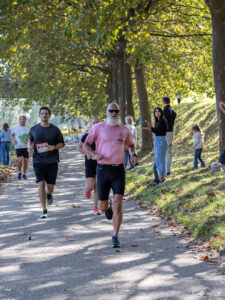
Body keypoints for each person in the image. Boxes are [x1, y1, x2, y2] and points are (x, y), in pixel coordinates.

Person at [83, 103, 137, 248]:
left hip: (118, 170)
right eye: (111, 111)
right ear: (106, 112)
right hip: (102, 170)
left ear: (119, 113)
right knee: (102, 206)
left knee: (119, 203)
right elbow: (85, 145)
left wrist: (133, 154)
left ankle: (115, 235)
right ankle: (107, 208)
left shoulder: (124, 130)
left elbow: (131, 145)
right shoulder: (98, 127)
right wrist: (94, 155)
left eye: (116, 111)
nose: (113, 113)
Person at [28, 107, 65, 218]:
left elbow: (62, 144)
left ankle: (49, 193)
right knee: (41, 184)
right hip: (38, 160)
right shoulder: (34, 129)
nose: (44, 115)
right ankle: (44, 209)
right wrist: (29, 147)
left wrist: (53, 147)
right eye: (42, 113)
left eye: (46, 113)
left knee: (50, 187)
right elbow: (30, 140)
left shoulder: (55, 129)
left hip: (52, 161)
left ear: (49, 115)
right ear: (39, 115)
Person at [78, 117, 101, 215]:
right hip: (90, 163)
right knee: (91, 186)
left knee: (97, 186)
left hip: (101, 163)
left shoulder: (103, 137)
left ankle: (96, 208)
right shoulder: (86, 136)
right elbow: (79, 147)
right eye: (93, 123)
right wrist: (86, 153)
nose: (95, 124)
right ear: (91, 124)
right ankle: (87, 190)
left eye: (97, 123)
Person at [144, 107, 168, 184]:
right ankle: (157, 178)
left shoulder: (162, 121)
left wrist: (151, 128)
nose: (157, 113)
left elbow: (159, 132)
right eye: (155, 112)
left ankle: (162, 178)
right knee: (157, 159)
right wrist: (151, 128)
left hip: (161, 140)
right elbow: (156, 131)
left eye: (158, 111)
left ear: (161, 112)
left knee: (160, 160)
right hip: (157, 140)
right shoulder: (158, 121)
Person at [11, 116, 30, 180]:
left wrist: (29, 146)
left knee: (26, 161)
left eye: (23, 119)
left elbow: (30, 138)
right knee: (20, 160)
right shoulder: (15, 128)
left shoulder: (27, 129)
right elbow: (12, 135)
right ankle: (19, 172)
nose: (22, 120)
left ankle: (24, 174)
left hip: (26, 147)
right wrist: (13, 140)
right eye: (21, 119)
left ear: (25, 120)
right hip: (18, 146)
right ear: (19, 120)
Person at [163, 96, 176, 175]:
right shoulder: (172, 110)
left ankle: (166, 170)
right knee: (169, 152)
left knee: (166, 152)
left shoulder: (165, 110)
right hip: (171, 131)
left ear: (164, 102)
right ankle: (168, 169)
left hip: (167, 132)